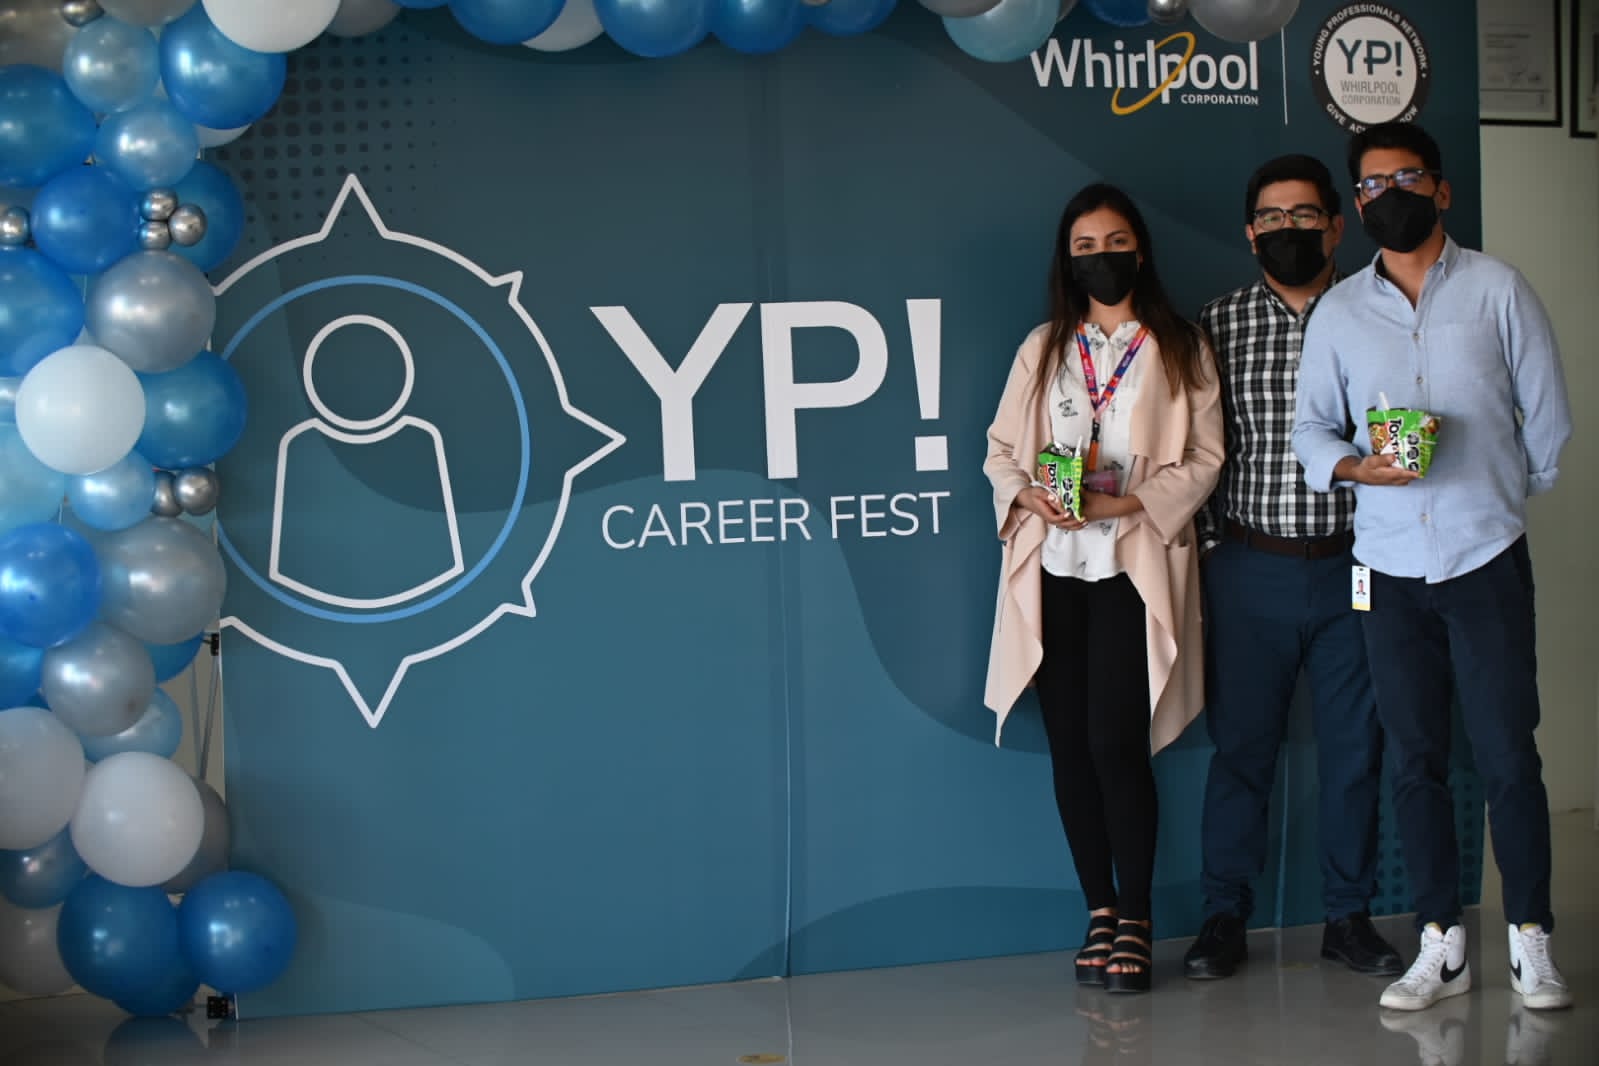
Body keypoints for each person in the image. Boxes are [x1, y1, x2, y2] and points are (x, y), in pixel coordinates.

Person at [1292, 121, 1573, 1012]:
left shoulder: (1497, 289)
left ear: (1441, 190)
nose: (1390, 195)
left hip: (1484, 556)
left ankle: (1530, 940)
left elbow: (1547, 420)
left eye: (1406, 177)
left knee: (1506, 754)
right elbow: (1309, 429)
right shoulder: (1339, 312)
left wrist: (1494, 493)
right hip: (1386, 565)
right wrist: (1356, 468)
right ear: (1356, 204)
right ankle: (1439, 943)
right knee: (1413, 759)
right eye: (1372, 185)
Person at [983, 183, 1223, 994]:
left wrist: (1127, 505)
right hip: (1054, 566)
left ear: (1140, 250)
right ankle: (1097, 909)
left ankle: (1137, 917)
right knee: (1070, 750)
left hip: (1130, 565)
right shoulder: (1044, 346)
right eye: (1084, 247)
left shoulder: (1179, 346)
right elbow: (999, 451)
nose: (1100, 257)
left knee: (1117, 745)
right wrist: (1027, 497)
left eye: (1114, 242)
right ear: (1067, 260)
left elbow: (1206, 458)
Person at [1184, 154, 1401, 982]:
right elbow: (1193, 449)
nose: (1288, 230)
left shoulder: (1377, 312)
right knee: (1240, 751)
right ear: (1250, 234)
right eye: (1272, 218)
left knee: (1355, 750)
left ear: (1336, 226)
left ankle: (1347, 917)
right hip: (1250, 568)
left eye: (1304, 215)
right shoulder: (1216, 324)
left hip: (1358, 569)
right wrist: (1215, 549)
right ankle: (1222, 915)